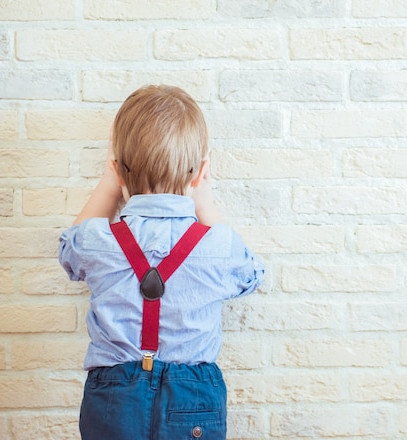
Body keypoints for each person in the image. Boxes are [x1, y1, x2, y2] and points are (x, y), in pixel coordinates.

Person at [58, 85, 265, 440]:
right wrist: (206, 204)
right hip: (193, 395)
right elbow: (251, 275)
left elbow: (68, 250)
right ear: (199, 174)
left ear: (117, 172)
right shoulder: (218, 244)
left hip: (112, 394)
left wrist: (110, 187)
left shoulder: (99, 242)